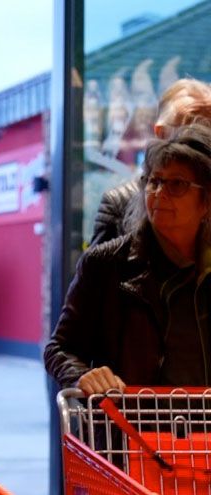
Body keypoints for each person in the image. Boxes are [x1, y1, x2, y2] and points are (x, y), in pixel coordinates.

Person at [45, 124, 211, 394]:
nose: (159, 193)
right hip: (128, 430)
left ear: (206, 200)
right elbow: (59, 348)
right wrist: (85, 376)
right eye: (154, 181)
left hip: (203, 433)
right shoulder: (106, 264)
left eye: (177, 184)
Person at [90, 78, 211, 246]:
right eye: (190, 133)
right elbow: (95, 268)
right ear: (161, 134)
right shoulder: (120, 203)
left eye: (207, 132)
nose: (201, 144)